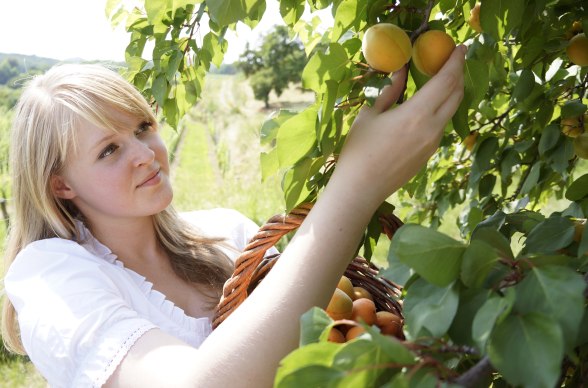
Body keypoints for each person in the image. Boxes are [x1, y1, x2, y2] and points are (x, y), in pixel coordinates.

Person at [1, 43, 466, 387]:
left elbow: (322, 334)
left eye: (143, 127)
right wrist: (355, 187)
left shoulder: (229, 231)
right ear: (60, 185)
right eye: (109, 150)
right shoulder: (48, 277)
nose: (145, 154)